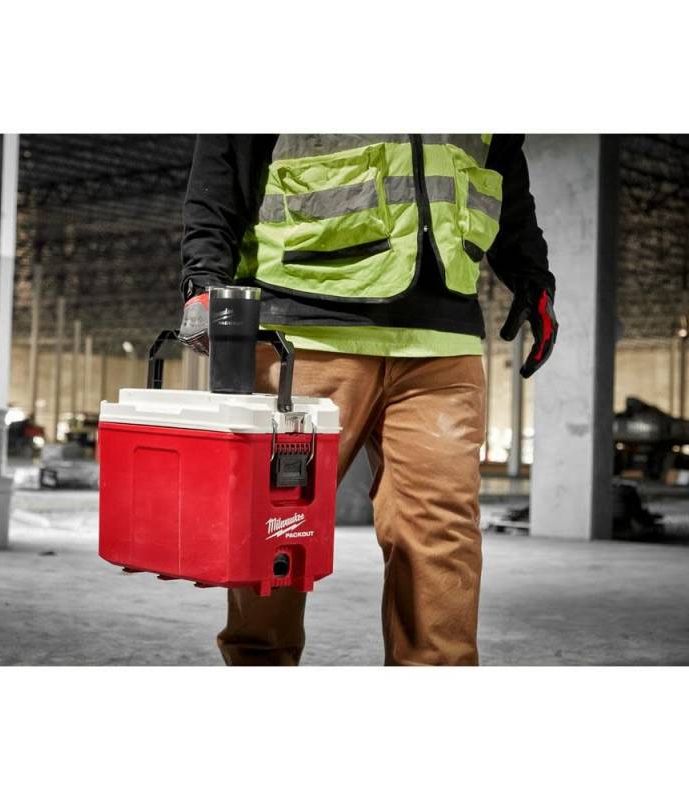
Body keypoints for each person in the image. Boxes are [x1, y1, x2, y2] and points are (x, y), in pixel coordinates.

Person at [178, 135, 557, 666]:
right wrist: (203, 275)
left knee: (442, 539)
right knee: (274, 532)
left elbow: (503, 172)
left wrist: (531, 272)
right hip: (304, 327)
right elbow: (225, 155)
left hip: (441, 338)